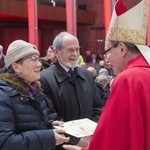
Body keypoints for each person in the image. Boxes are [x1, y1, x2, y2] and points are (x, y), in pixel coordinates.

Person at [62, 0, 150, 150]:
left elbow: (114, 141)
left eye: (107, 52)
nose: (106, 60)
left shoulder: (127, 79)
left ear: (122, 49)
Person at [0, 40, 70, 150]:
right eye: (33, 60)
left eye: (38, 59)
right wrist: (49, 137)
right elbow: (5, 142)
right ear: (16, 67)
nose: (39, 64)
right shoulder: (3, 96)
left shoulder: (34, 90)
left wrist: (50, 125)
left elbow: (30, 123)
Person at [40, 31, 103, 149]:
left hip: (90, 141)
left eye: (77, 49)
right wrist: (76, 140)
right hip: (63, 144)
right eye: (70, 50)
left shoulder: (87, 75)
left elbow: (97, 108)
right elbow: (50, 116)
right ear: (56, 52)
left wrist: (93, 134)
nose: (75, 54)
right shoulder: (44, 78)